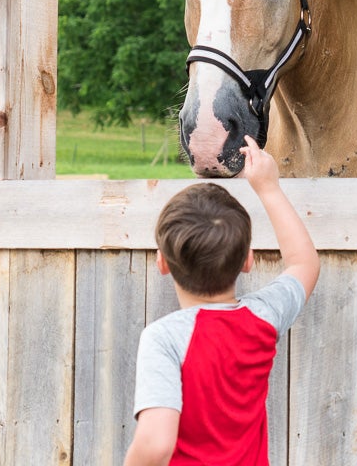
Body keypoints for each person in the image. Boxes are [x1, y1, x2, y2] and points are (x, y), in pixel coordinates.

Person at [124, 135, 320, 466]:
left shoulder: (164, 339)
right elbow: (304, 263)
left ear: (162, 263)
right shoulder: (264, 316)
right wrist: (268, 188)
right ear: (248, 260)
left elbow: (156, 443)